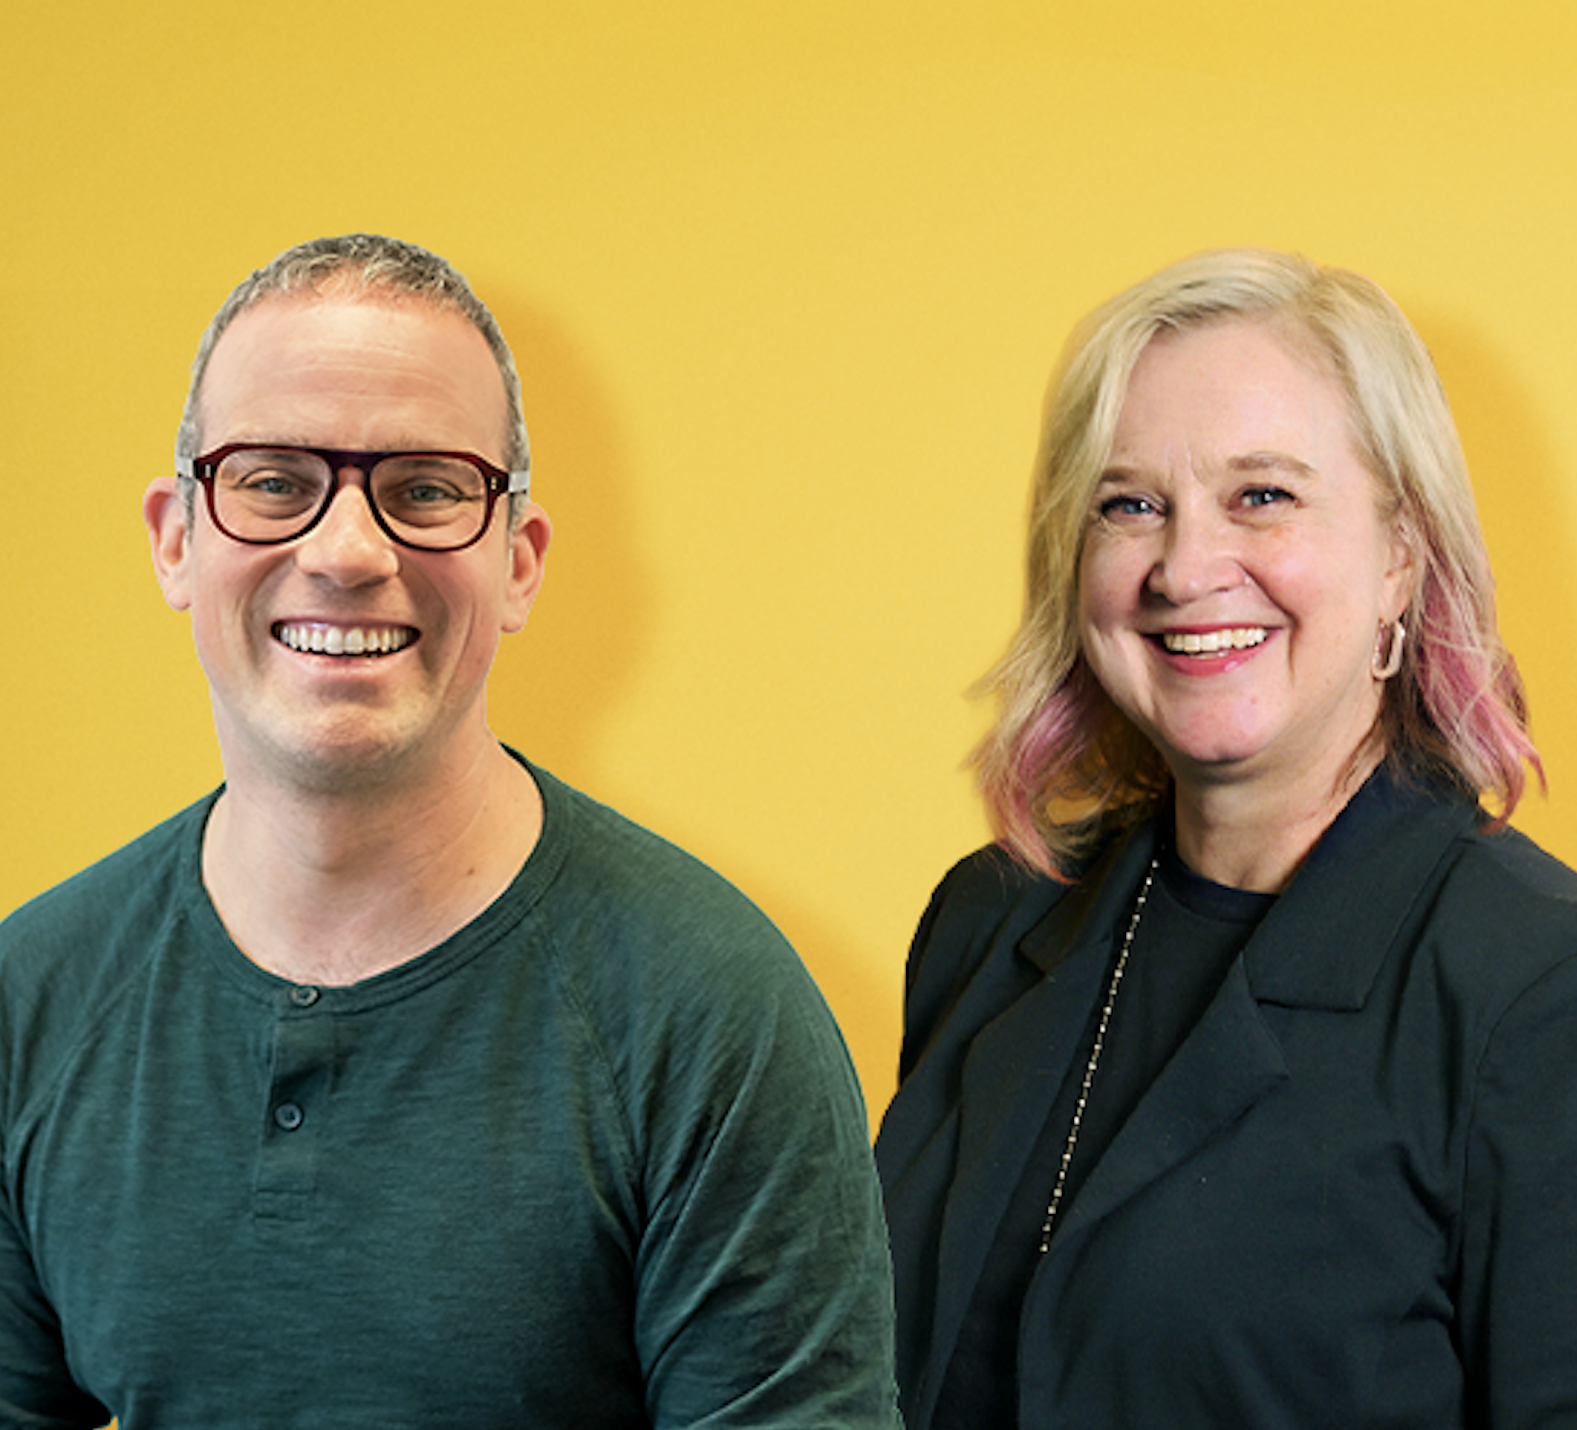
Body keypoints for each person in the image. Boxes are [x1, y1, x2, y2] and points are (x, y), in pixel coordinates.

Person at [0, 234, 901, 1428]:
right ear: (177, 539)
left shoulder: (714, 1015)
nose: (346, 551)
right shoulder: (32, 999)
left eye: (426, 489)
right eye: (273, 481)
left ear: (518, 562)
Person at [873, 248, 1577, 1428]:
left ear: (1402, 553)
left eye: (1262, 495)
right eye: (1129, 504)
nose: (1186, 567)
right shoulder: (993, 922)